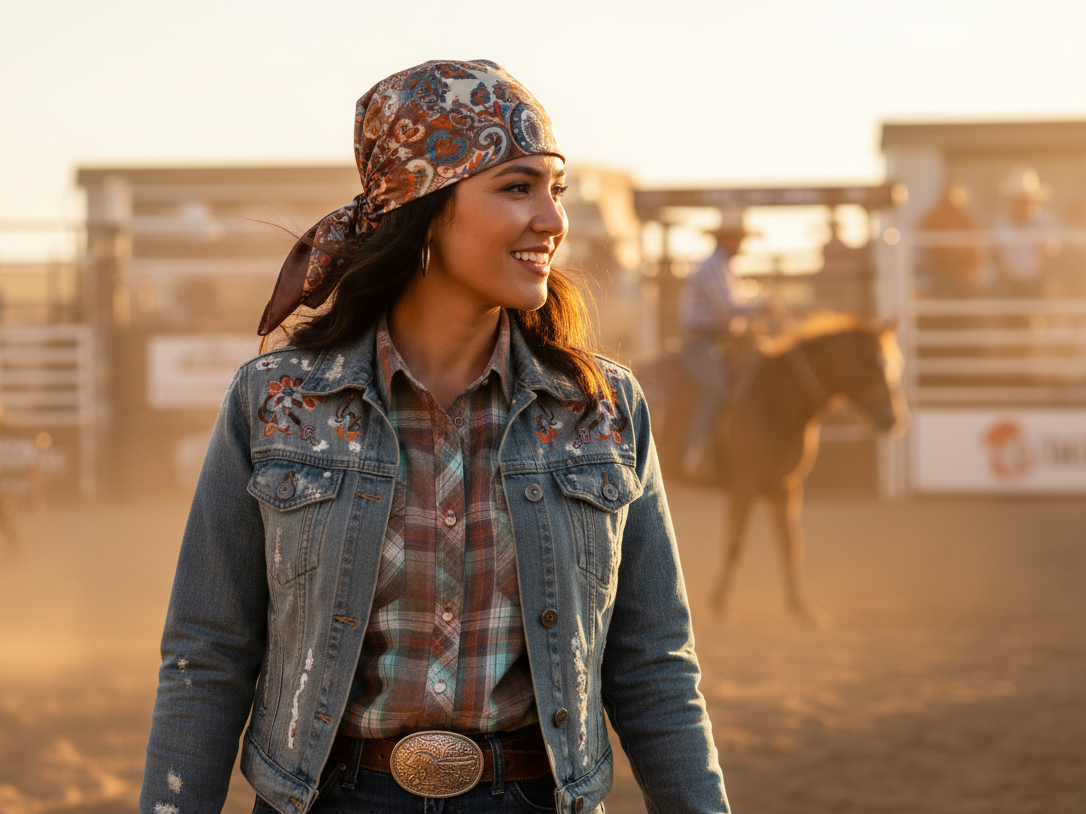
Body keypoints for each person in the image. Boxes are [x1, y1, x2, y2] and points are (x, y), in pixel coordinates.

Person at [141, 60, 729, 814]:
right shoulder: (276, 401)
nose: (553, 220)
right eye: (517, 188)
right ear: (422, 208)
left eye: (555, 189)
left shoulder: (603, 409)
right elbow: (207, 657)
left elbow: (655, 667)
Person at [677, 208, 764, 477]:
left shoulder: (724, 268)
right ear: (724, 239)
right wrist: (763, 306)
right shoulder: (713, 266)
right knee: (715, 389)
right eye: (736, 238)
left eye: (741, 238)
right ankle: (692, 454)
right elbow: (727, 308)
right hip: (700, 342)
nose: (740, 244)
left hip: (719, 341)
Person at [991, 167, 1060, 298]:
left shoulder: (1045, 222)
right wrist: (1007, 277)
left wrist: (1040, 278)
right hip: (1008, 284)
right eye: (1018, 199)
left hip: (1038, 283)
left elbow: (1051, 254)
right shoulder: (1001, 223)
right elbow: (996, 254)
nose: (1021, 204)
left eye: (1024, 199)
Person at [917, 183, 984, 298]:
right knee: (946, 300)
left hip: (963, 271)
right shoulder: (936, 217)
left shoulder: (964, 217)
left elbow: (974, 243)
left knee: (964, 300)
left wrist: (973, 268)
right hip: (942, 271)